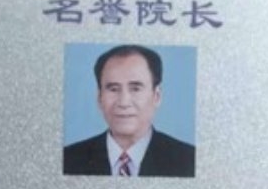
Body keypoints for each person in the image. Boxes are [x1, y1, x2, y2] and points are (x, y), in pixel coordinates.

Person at [63, 45, 195, 177]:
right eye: (113, 89)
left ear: (156, 96)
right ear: (99, 97)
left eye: (135, 89)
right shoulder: (68, 159)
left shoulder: (189, 160)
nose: (124, 102)